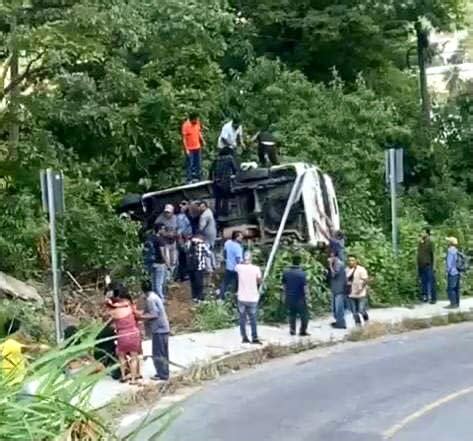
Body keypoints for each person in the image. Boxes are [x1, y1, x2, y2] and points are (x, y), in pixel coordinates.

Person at [106, 288, 142, 384]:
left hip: (122, 334)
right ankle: (134, 379)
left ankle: (123, 376)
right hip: (133, 333)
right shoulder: (129, 307)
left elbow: (108, 320)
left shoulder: (113, 312)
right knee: (134, 357)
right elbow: (135, 312)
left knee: (121, 357)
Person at [0, 318, 48, 384]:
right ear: (17, 332)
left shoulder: (5, 344)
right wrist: (48, 348)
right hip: (14, 384)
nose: (24, 334)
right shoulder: (10, 343)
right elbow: (31, 348)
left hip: (13, 383)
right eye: (22, 332)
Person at [141, 281, 170, 381]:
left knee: (158, 353)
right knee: (163, 352)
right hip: (163, 328)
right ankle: (164, 372)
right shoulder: (154, 296)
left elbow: (154, 314)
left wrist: (141, 317)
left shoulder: (150, 299)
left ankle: (162, 374)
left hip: (159, 329)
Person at [235, 251, 262, 344]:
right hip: (253, 297)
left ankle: (244, 337)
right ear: (252, 259)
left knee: (242, 318)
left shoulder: (239, 268)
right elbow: (259, 281)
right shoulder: (256, 269)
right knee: (253, 319)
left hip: (241, 297)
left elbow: (237, 264)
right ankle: (254, 337)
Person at [282, 255, 310, 336]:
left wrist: (284, 296)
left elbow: (284, 286)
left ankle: (292, 330)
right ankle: (302, 331)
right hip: (300, 298)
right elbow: (305, 287)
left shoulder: (286, 273)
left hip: (289, 297)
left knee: (292, 314)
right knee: (304, 315)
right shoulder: (302, 274)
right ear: (300, 262)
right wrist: (308, 297)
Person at [211, 146, 239, 218]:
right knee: (226, 198)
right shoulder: (229, 158)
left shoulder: (216, 159)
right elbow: (235, 169)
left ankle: (217, 213)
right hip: (225, 181)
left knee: (218, 199)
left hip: (216, 181)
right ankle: (225, 213)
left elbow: (211, 170)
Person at [143, 223, 169, 299]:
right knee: (159, 283)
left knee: (153, 282)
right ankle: (161, 299)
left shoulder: (150, 238)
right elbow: (162, 253)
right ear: (159, 230)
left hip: (151, 263)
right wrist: (167, 264)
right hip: (159, 263)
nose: (164, 231)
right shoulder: (160, 239)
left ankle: (154, 298)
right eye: (163, 229)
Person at [346, 255, 369, 326]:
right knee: (354, 312)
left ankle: (366, 320)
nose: (351, 262)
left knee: (361, 310)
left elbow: (366, 280)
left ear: (356, 261)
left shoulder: (361, 269)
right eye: (349, 260)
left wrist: (361, 289)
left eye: (352, 260)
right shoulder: (346, 270)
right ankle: (358, 325)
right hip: (351, 294)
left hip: (360, 294)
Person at [182, 112, 205, 183]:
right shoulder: (185, 125)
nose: (197, 121)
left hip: (197, 146)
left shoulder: (197, 122)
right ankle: (189, 179)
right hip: (190, 148)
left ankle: (199, 177)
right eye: (195, 119)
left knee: (199, 163)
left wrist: (202, 140)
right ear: (192, 119)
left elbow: (198, 132)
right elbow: (184, 139)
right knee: (190, 164)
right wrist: (186, 149)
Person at [220, 231, 244, 299]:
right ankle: (236, 298)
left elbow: (224, 252)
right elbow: (238, 259)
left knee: (225, 283)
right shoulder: (238, 247)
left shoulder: (228, 242)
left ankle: (221, 297)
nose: (242, 238)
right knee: (238, 284)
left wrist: (226, 260)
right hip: (236, 269)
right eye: (240, 237)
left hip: (229, 267)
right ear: (236, 237)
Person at [187, 234, 211, 302]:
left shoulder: (189, 243)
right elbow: (209, 254)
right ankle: (199, 297)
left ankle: (194, 296)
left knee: (193, 282)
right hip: (199, 267)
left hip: (190, 267)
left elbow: (185, 250)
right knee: (199, 282)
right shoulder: (202, 245)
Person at [155, 204, 178, 274]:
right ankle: (168, 275)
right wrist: (166, 234)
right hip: (165, 243)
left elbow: (179, 228)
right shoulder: (160, 219)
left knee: (174, 260)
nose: (167, 214)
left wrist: (175, 233)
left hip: (173, 241)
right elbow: (156, 229)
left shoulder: (176, 218)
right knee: (167, 259)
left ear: (172, 212)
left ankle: (172, 275)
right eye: (166, 212)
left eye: (169, 212)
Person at [417, 228, 436, 304]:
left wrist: (434, 266)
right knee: (423, 282)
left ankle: (433, 298)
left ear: (427, 234)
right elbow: (419, 254)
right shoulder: (421, 243)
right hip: (421, 265)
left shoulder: (430, 242)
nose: (421, 233)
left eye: (423, 232)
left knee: (431, 281)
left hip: (428, 265)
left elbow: (434, 254)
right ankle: (425, 297)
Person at [329, 251, 347, 329]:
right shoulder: (337, 264)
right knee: (335, 307)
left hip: (339, 289)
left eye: (332, 257)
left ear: (335, 257)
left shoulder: (338, 264)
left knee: (339, 308)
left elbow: (333, 274)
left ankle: (341, 323)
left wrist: (330, 265)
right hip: (336, 289)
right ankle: (338, 322)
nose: (330, 258)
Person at [176, 201, 193, 282]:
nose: (184, 206)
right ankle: (183, 275)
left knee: (184, 258)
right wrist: (184, 241)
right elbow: (180, 231)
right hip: (184, 239)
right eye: (183, 205)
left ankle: (183, 275)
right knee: (184, 258)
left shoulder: (187, 215)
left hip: (187, 238)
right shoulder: (180, 217)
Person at [446, 236, 461, 309]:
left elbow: (449, 263)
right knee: (457, 288)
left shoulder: (450, 251)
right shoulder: (456, 250)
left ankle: (453, 304)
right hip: (458, 271)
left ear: (450, 243)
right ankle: (457, 303)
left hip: (452, 272)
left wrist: (448, 270)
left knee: (451, 289)